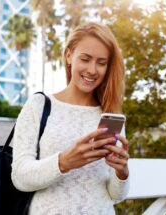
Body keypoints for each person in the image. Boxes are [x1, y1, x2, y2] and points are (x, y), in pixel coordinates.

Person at [12, 22, 130, 214]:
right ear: (69, 56)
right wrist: (64, 161)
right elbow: (20, 177)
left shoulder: (111, 116)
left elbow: (116, 196)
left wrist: (122, 172)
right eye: (85, 59)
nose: (92, 70)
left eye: (101, 63)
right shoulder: (39, 106)